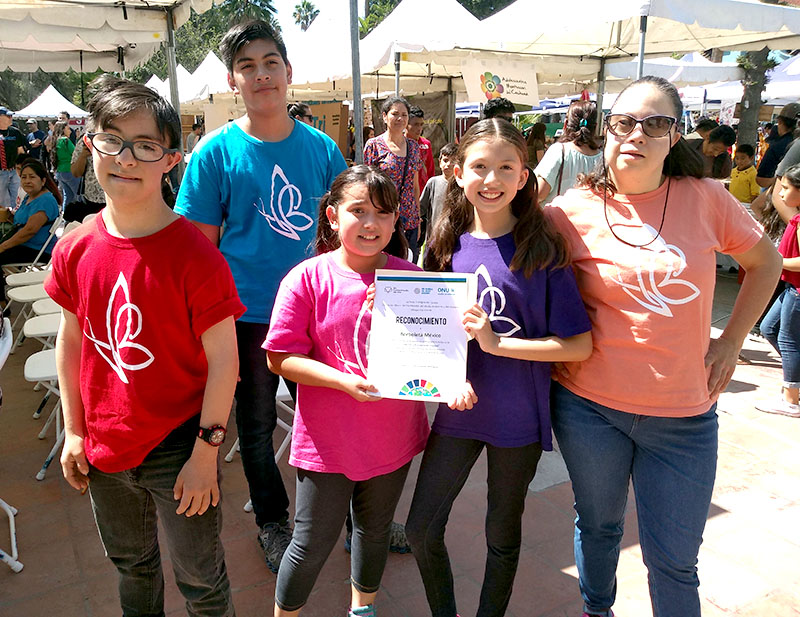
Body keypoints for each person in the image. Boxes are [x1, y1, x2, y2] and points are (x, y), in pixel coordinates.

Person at [545, 75, 781, 617]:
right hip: (588, 410)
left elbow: (765, 263)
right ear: (607, 129)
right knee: (598, 527)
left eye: (655, 124)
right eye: (625, 122)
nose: (637, 134)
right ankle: (596, 610)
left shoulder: (708, 198)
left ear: (674, 136)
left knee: (674, 563)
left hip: (684, 418)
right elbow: (518, 277)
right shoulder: (568, 211)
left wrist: (731, 342)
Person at [45, 75, 245, 617]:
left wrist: (207, 451)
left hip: (181, 445)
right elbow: (71, 340)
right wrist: (74, 430)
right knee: (132, 569)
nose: (126, 158)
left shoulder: (196, 257)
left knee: (201, 582)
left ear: (171, 159)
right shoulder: (75, 248)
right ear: (90, 145)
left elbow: (225, 361)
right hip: (105, 445)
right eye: (112, 140)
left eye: (145, 146)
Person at [175, 19, 348, 574]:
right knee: (254, 426)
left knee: (335, 415)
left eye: (270, 63)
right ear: (233, 81)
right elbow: (199, 250)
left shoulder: (322, 149)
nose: (261, 75)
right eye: (247, 66)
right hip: (246, 317)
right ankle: (272, 523)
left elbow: (346, 231)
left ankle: (352, 517)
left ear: (288, 71)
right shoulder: (214, 153)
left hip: (318, 314)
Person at [406, 118, 593, 617]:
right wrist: (393, 313)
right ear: (457, 173)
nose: (491, 180)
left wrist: (498, 343)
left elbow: (578, 345)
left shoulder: (542, 248)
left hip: (518, 418)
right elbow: (431, 325)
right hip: (458, 410)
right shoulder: (445, 242)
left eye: (506, 168)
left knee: (501, 536)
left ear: (524, 176)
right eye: (479, 167)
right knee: (421, 528)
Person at [264, 165, 431, 617]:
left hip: (392, 435)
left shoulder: (412, 279)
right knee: (310, 542)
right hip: (328, 442)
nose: (371, 223)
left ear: (396, 221)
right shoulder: (306, 278)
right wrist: (342, 381)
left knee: (374, 531)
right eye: (358, 210)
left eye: (383, 212)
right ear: (333, 216)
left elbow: (434, 352)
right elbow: (279, 358)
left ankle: (363, 609)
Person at [756, 164, 800, 418]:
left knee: (788, 339)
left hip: (797, 291)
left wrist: (777, 261)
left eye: (785, 188)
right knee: (768, 328)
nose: (780, 194)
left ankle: (791, 400)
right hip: (791, 287)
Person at [364, 96, 422, 261]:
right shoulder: (374, 145)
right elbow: (367, 186)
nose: (400, 119)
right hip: (383, 218)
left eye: (404, 115)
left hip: (409, 219)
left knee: (408, 265)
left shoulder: (413, 147)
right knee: (383, 264)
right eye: (395, 114)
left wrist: (417, 219)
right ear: (384, 116)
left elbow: (415, 186)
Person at [0, 158, 60, 299]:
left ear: (43, 181)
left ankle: (2, 303)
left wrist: (3, 246)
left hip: (37, 249)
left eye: (32, 177)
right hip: (25, 245)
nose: (27, 181)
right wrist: (8, 215)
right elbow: (22, 222)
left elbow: (29, 231)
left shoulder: (45, 200)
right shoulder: (30, 196)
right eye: (24, 177)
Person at [535, 100, 602, 205]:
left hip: (557, 214)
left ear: (566, 124)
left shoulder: (559, 150)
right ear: (595, 127)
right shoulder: (603, 158)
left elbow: (540, 193)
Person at [419, 142, 456, 245]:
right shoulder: (433, 183)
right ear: (440, 163)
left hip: (455, 238)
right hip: (434, 237)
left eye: (453, 161)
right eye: (445, 160)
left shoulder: (463, 185)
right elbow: (421, 208)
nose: (448, 164)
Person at [757, 102, 800, 187]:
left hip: (780, 189)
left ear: (780, 122)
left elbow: (762, 180)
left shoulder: (777, 146)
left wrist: (779, 182)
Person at [66, 131, 106, 222]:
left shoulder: (121, 139)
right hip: (92, 201)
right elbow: (76, 172)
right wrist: (83, 156)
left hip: (118, 200)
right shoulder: (86, 141)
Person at [0, 107, 27, 209]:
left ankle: (15, 216)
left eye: (11, 116)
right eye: (8, 116)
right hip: (1, 172)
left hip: (14, 171)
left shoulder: (15, 132)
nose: (11, 118)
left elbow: (20, 151)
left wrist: (24, 167)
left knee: (17, 199)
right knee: (2, 201)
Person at [52, 120, 80, 207]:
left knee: (68, 196)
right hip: (70, 170)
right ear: (63, 129)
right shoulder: (65, 140)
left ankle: (65, 214)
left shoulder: (56, 141)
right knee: (79, 195)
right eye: (68, 129)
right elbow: (76, 153)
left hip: (60, 171)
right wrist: (78, 139)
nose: (70, 131)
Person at [406, 105, 435, 187]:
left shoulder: (426, 144)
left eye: (421, 124)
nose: (419, 128)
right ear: (406, 124)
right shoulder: (400, 143)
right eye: (415, 124)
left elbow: (430, 170)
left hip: (423, 189)